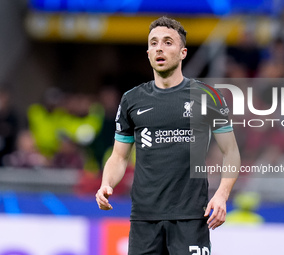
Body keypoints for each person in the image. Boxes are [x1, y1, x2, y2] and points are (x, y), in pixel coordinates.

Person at [96, 16, 240, 255]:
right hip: (144, 219)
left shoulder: (208, 96)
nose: (159, 48)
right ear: (148, 52)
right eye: (153, 43)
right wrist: (106, 184)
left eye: (167, 42)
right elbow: (119, 157)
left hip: (191, 217)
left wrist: (222, 195)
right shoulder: (131, 100)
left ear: (183, 52)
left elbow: (231, 152)